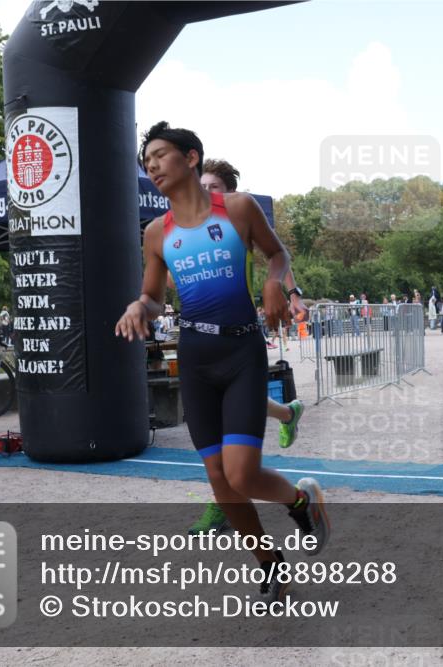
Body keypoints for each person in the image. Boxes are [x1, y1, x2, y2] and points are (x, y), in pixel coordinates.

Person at [118, 123, 328, 599]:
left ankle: (301, 501)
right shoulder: (156, 233)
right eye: (145, 161)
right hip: (194, 357)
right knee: (219, 479)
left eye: (159, 155)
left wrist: (275, 282)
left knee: (242, 473)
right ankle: (269, 563)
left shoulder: (237, 208)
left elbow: (277, 254)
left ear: (191, 158)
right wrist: (138, 307)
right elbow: (152, 298)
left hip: (241, 352)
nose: (151, 166)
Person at [189, 157, 307, 535]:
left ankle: (221, 504)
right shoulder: (185, 227)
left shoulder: (238, 220)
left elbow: (277, 254)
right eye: (201, 187)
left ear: (230, 193)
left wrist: (292, 294)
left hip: (241, 335)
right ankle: (288, 414)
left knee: (230, 436)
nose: (206, 193)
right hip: (202, 342)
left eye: (214, 188)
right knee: (232, 415)